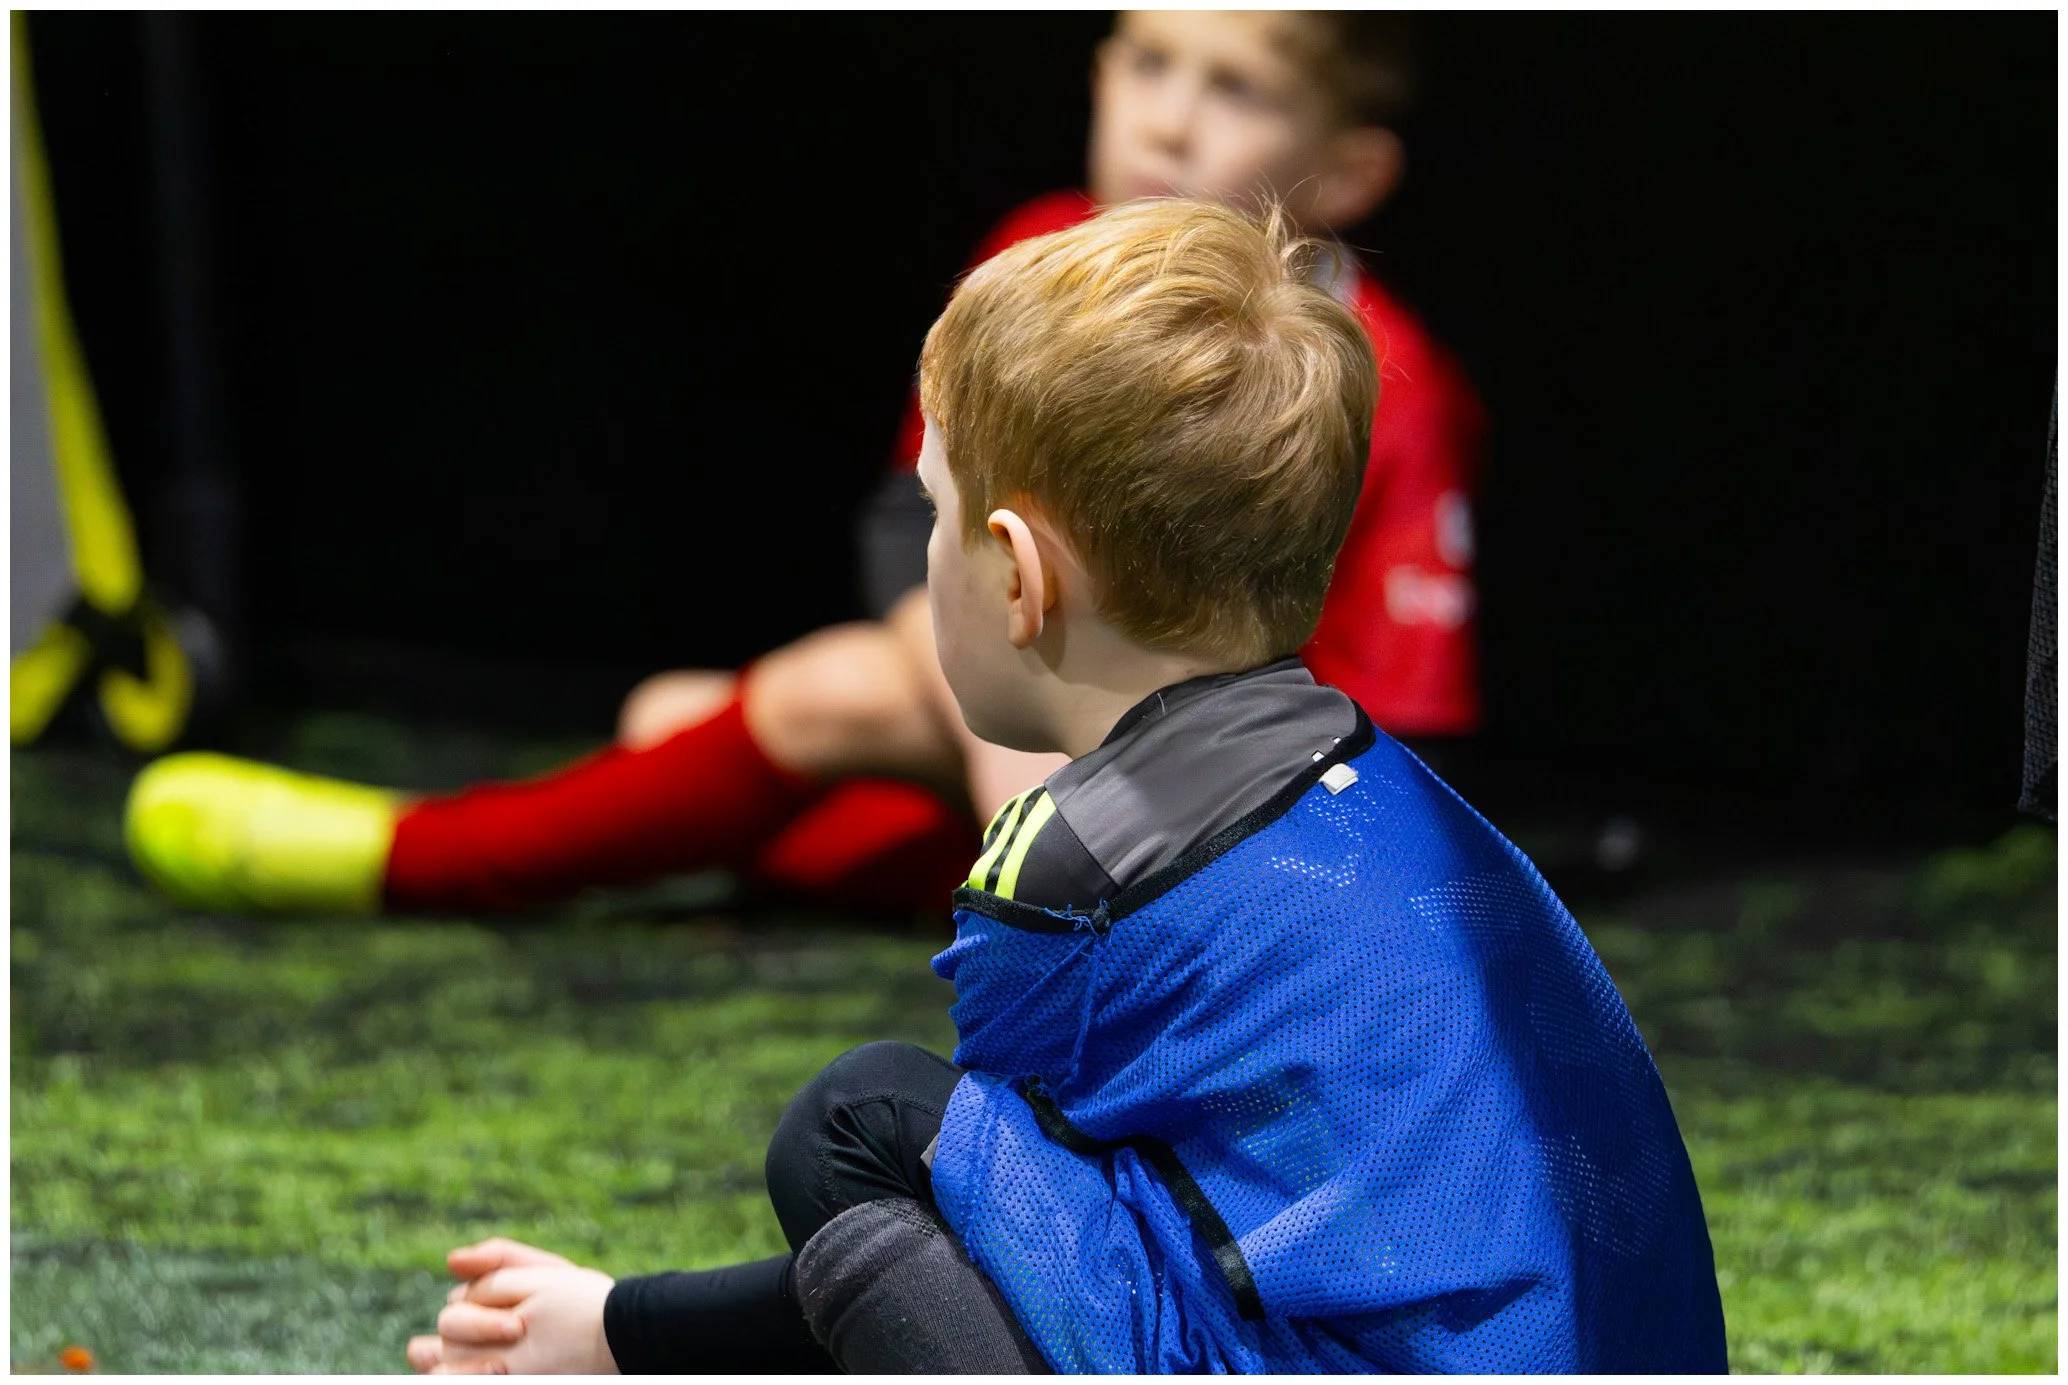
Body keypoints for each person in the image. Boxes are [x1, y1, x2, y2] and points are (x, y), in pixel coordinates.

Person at [403, 198, 1725, 1374]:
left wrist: (626, 1334)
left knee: (857, 1126)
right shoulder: (1399, 798)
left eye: (933, 515)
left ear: (1020, 579)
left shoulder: (1082, 874)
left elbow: (973, 1246)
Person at [122, 10, 1484, 922]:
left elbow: (1399, 705)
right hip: (1009, 717)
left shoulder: (1387, 375)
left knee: (804, 709)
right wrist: (985, 702)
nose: (1171, 122)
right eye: (1146, 62)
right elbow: (926, 517)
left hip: (1243, 802)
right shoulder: (1032, 253)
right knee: (682, 717)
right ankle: (1015, 872)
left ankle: (421, 859)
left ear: (1350, 172)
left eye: (1236, 88)